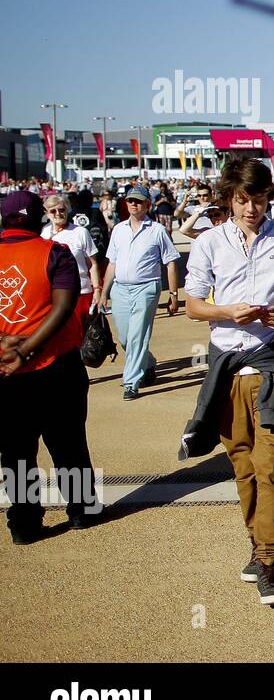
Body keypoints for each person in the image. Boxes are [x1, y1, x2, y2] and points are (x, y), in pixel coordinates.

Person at [180, 158, 274, 607]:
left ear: (268, 196)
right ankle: (259, 545)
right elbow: (194, 305)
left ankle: (271, 559)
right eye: (242, 200)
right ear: (228, 199)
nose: (251, 208)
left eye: (258, 199)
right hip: (228, 365)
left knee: (270, 461)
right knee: (242, 464)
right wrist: (226, 311)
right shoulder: (210, 244)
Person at [0, 191, 100, 544]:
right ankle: (81, 510)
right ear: (35, 219)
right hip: (56, 364)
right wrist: (27, 348)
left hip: (7, 374)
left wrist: (6, 345)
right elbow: (63, 306)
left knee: (15, 451)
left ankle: (23, 523)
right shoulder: (53, 252)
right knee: (68, 442)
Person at [101, 185, 180, 401]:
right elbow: (112, 263)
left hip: (146, 287)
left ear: (148, 205)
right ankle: (148, 362)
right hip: (120, 288)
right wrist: (103, 292)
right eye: (130, 201)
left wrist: (173, 294)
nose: (133, 204)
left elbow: (171, 263)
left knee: (137, 336)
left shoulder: (157, 230)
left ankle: (131, 382)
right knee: (126, 337)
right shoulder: (118, 230)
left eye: (138, 201)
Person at [42, 193, 101, 332]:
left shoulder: (80, 232)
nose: (58, 214)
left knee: (84, 338)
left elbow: (93, 264)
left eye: (62, 210)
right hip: (55, 295)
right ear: (46, 213)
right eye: (53, 211)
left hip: (81, 293)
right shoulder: (44, 233)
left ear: (67, 209)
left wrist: (97, 290)